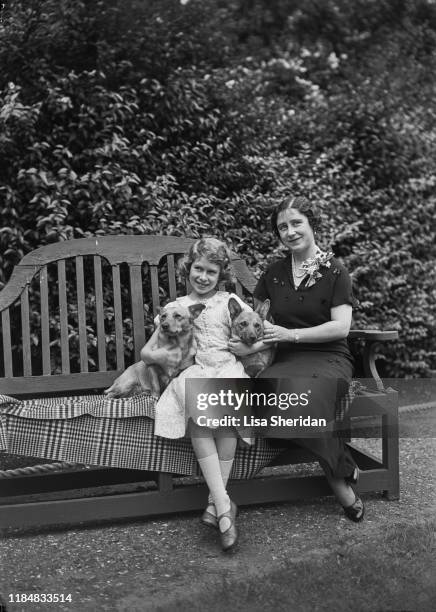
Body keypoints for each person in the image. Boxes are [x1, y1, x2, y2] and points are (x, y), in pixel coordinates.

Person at [228, 195, 364, 522]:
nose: (289, 232)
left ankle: (338, 483)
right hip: (283, 357)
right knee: (265, 388)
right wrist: (246, 347)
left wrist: (292, 334)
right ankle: (343, 463)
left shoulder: (335, 270)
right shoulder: (274, 273)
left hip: (328, 356)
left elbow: (341, 327)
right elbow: (251, 319)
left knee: (303, 394)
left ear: (311, 223)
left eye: (296, 223)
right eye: (282, 227)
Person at [142, 237, 252, 551]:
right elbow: (147, 351)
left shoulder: (229, 300)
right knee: (201, 410)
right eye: (198, 269)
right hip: (197, 370)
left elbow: (260, 329)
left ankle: (216, 505)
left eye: (211, 272)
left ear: (221, 276)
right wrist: (160, 357)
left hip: (227, 368)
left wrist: (249, 346)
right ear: (188, 268)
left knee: (228, 409)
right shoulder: (176, 307)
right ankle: (224, 508)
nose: (203, 277)